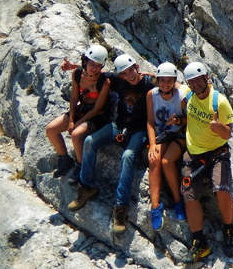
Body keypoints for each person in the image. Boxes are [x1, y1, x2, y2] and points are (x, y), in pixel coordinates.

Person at [68, 53, 154, 235]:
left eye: (131, 70)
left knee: (128, 156)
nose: (129, 75)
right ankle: (86, 187)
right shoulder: (115, 80)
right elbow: (95, 72)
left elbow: (169, 84)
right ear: (120, 75)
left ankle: (120, 208)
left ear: (136, 67)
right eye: (124, 73)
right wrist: (73, 66)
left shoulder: (148, 83)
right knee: (90, 141)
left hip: (138, 130)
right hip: (118, 125)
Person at [180, 62, 233, 261]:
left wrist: (217, 127)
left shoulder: (219, 102)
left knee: (221, 188)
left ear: (207, 79)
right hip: (194, 152)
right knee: (188, 192)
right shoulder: (188, 95)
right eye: (192, 82)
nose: (195, 85)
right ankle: (199, 241)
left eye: (198, 80)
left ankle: (229, 229)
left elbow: (228, 133)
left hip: (216, 152)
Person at [45, 44, 111, 183]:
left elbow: (97, 109)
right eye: (91, 64)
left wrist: (77, 123)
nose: (94, 68)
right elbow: (74, 98)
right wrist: (71, 120)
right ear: (85, 62)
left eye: (98, 65)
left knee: (76, 135)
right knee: (51, 130)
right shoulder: (77, 74)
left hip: (97, 116)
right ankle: (64, 158)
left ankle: (81, 166)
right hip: (82, 110)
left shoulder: (104, 82)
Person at [146, 62, 189, 230]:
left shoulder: (181, 96)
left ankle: (178, 201)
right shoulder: (152, 95)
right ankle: (155, 206)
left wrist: (178, 120)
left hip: (177, 134)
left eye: (169, 81)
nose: (165, 84)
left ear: (174, 81)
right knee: (154, 159)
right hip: (161, 135)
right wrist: (152, 144)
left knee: (166, 162)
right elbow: (150, 122)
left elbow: (188, 120)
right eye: (162, 80)